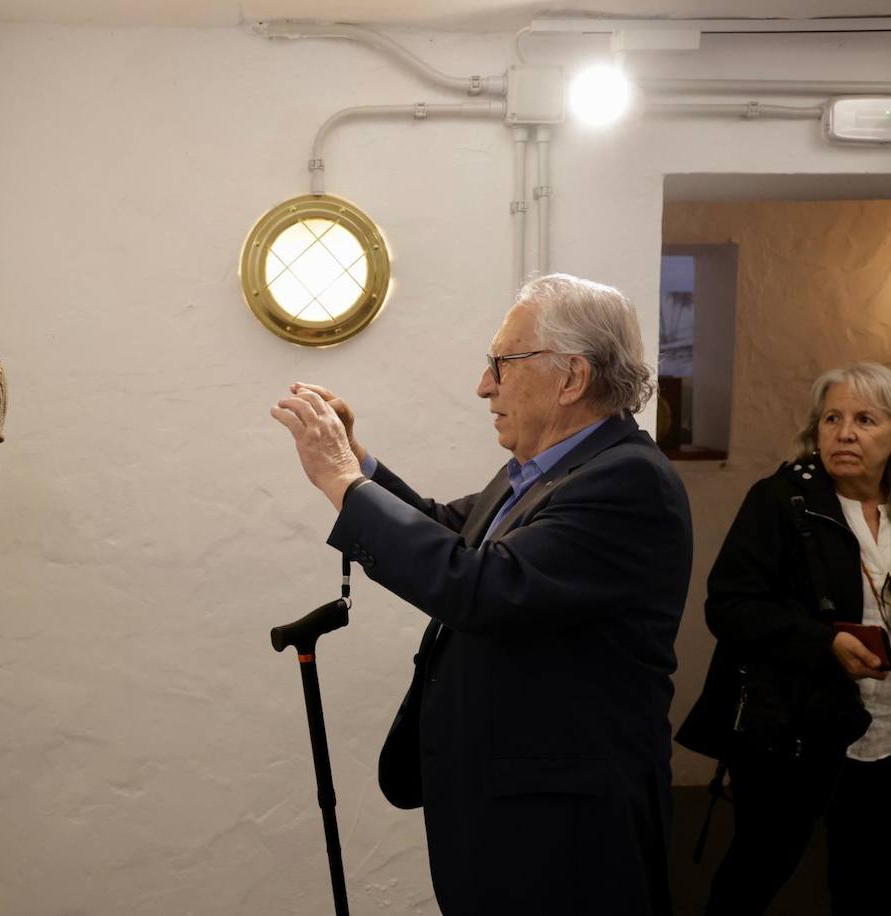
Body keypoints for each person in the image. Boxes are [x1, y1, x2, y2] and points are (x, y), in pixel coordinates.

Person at [271, 273, 693, 916]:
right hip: (504, 803)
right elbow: (455, 533)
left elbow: (484, 587)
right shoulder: (542, 467)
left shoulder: (628, 480)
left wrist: (341, 483)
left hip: (565, 825)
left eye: (502, 363)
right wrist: (356, 462)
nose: (484, 385)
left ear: (571, 378)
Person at [677, 363, 891, 916]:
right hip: (795, 732)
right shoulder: (781, 502)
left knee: (869, 886)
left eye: (865, 419)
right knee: (754, 876)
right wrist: (821, 642)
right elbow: (730, 606)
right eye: (832, 418)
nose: (844, 433)